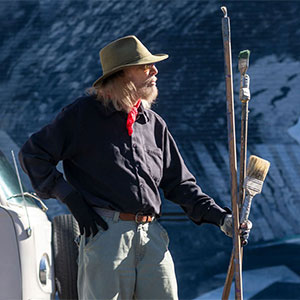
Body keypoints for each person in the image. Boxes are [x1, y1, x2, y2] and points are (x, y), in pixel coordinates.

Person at [19, 35, 251, 300]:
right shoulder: (82, 115)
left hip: (152, 237)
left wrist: (222, 218)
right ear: (121, 74)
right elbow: (32, 155)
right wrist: (71, 199)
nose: (154, 71)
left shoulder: (153, 124)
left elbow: (181, 184)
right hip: (105, 236)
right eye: (144, 66)